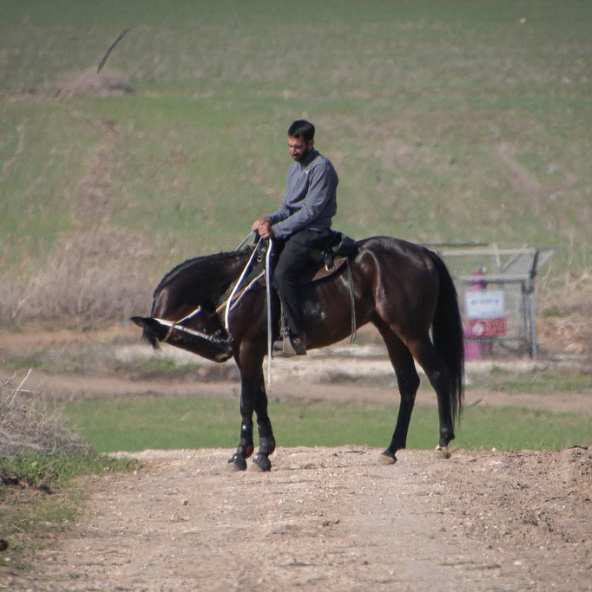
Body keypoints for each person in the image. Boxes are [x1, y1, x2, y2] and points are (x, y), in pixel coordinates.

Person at [251, 120, 339, 356]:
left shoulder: (322, 168)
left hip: (314, 231)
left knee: (283, 273)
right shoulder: (294, 169)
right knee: (261, 263)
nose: (293, 151)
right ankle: (269, 329)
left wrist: (277, 230)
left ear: (310, 143)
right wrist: (268, 221)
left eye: (298, 146)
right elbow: (287, 208)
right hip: (294, 229)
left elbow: (311, 211)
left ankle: (297, 336)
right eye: (290, 146)